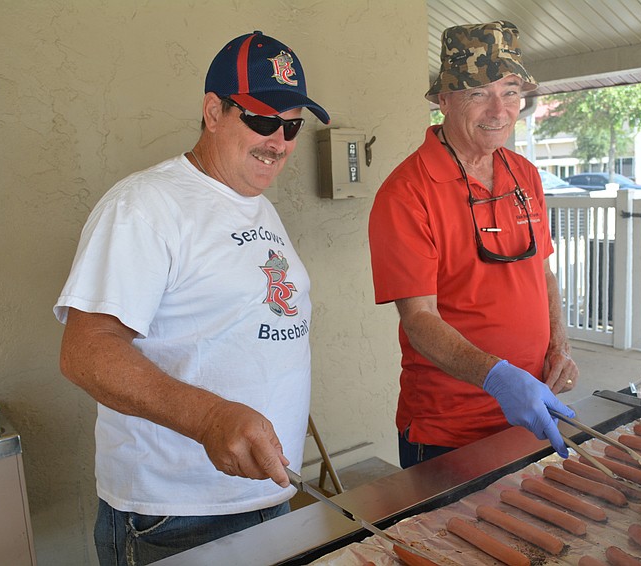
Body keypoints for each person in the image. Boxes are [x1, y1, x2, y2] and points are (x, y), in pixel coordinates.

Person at [54, 31, 329, 565]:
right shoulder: (145, 205)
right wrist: (208, 417)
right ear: (212, 111)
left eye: (291, 125)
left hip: (267, 498)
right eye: (261, 119)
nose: (279, 140)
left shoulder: (256, 205)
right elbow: (85, 351)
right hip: (176, 517)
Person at [368, 21, 579, 469]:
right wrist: (499, 378)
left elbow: (541, 272)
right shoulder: (406, 192)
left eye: (510, 91)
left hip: (531, 416)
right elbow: (419, 318)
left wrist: (558, 348)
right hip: (450, 431)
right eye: (478, 92)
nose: (499, 109)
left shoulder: (525, 173)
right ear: (444, 99)